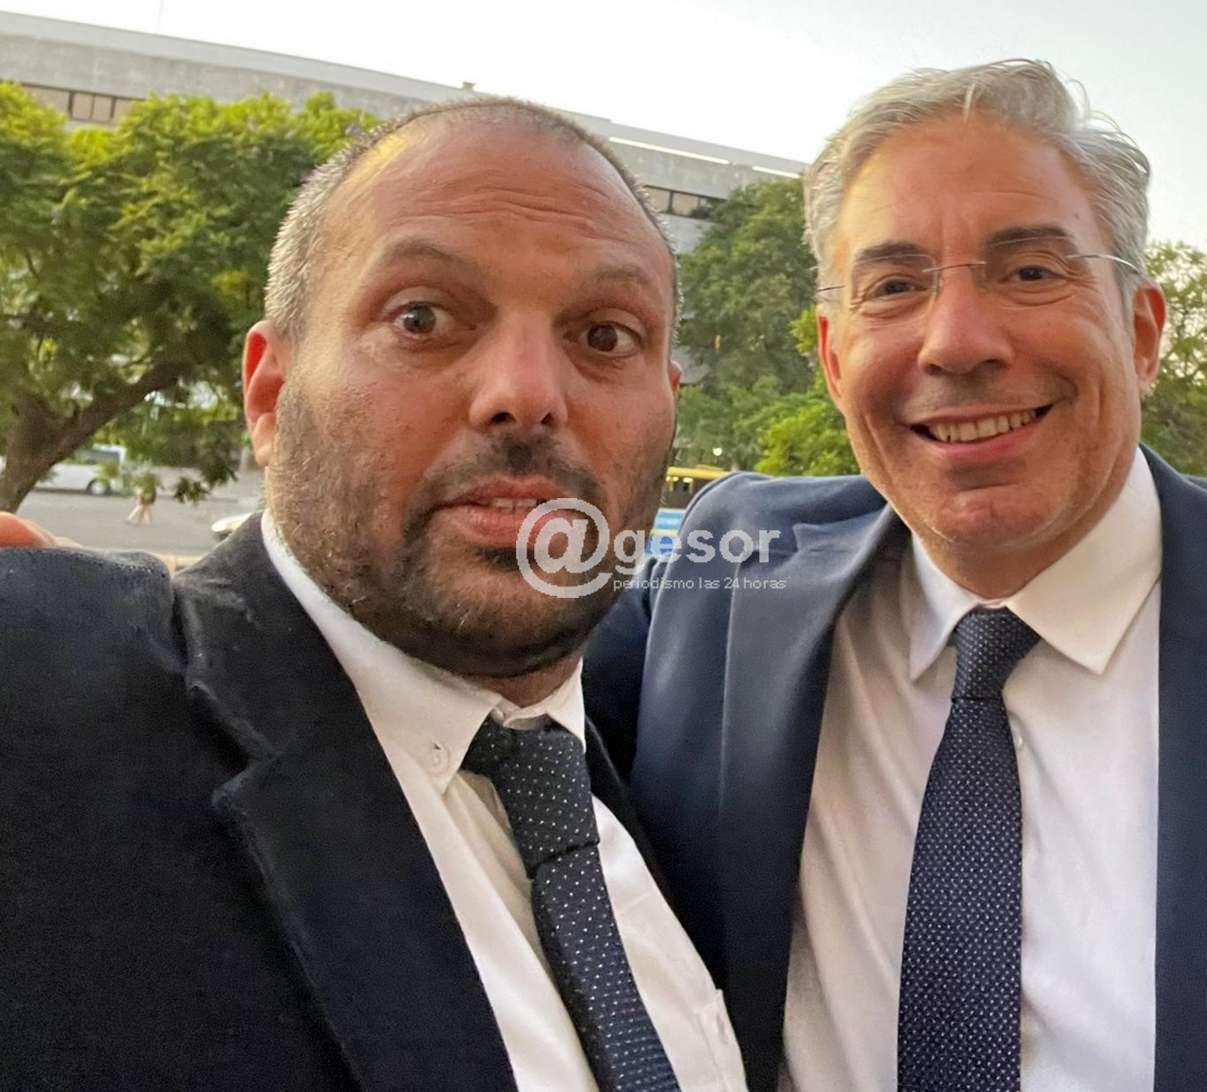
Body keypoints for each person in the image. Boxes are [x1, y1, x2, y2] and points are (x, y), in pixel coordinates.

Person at [0, 98, 746, 1090]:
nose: (528, 393)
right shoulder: (48, 698)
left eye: (605, 336)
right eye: (422, 318)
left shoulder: (654, 801)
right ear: (270, 395)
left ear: (667, 412)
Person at [584, 61, 1207, 1091]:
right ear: (834, 361)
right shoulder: (727, 575)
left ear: (1142, 334)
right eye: (893, 287)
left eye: (1030, 272)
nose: (957, 342)